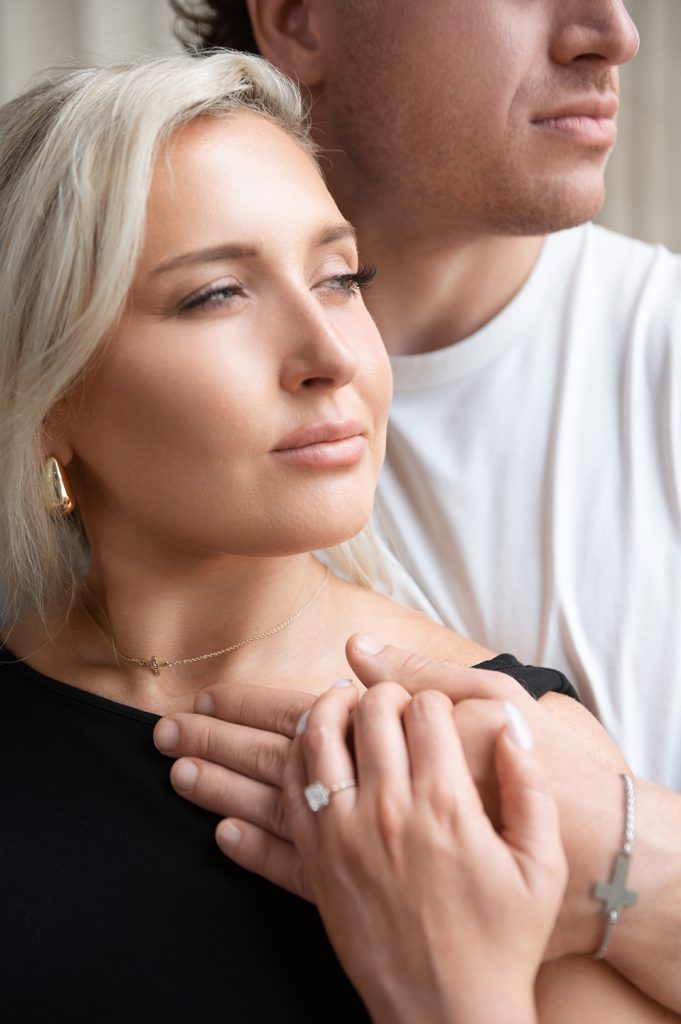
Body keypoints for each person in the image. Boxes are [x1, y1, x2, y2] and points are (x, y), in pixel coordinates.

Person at [0, 49, 671, 1024]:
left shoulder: (497, 758)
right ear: (50, 396)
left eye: (341, 277)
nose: (330, 356)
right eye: (216, 294)